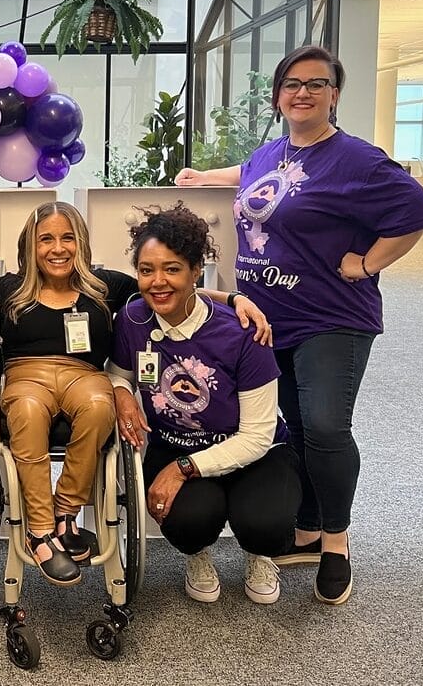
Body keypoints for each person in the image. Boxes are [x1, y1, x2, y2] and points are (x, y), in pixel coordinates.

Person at [175, 45, 423, 604]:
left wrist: (367, 263)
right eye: (292, 84)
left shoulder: (358, 160)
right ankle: (309, 526)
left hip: (331, 318)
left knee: (324, 426)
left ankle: (337, 542)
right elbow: (251, 178)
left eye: (317, 84)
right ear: (278, 95)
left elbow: (417, 209)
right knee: (291, 426)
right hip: (269, 320)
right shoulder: (268, 153)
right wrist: (203, 175)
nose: (303, 92)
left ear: (334, 95)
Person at [0, 201, 272, 586]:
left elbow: (164, 285)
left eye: (67, 238)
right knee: (29, 411)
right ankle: (40, 529)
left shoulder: (103, 286)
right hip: (26, 375)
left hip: (84, 374)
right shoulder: (9, 289)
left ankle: (66, 513)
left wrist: (234, 299)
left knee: (101, 406)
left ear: (81, 243)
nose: (57, 248)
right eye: (45, 239)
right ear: (29, 246)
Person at [110, 204, 301, 604]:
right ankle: (197, 554)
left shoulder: (244, 331)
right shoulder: (132, 319)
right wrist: (123, 394)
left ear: (196, 269)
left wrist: (182, 470)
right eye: (146, 270)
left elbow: (257, 436)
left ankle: (260, 554)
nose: (157, 282)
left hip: (255, 452)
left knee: (264, 523)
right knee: (188, 522)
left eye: (172, 269)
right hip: (176, 442)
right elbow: (119, 372)